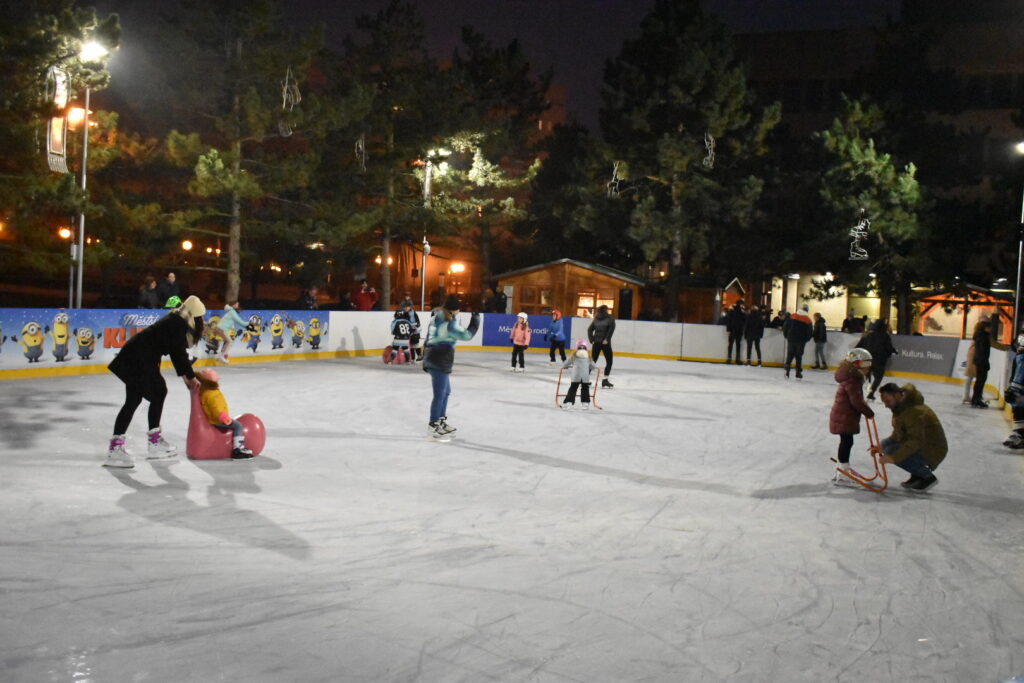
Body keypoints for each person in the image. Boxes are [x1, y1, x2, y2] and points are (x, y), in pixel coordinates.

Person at [104, 295, 205, 468]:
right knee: (159, 392)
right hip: (139, 358)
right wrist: (191, 377)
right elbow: (178, 354)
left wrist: (186, 377)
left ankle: (119, 446)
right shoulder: (177, 324)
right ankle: (153, 444)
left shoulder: (176, 320)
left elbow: (176, 353)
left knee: (134, 399)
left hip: (137, 356)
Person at [422, 294, 480, 441]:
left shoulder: (437, 317)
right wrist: (475, 321)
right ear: (455, 310)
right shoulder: (449, 322)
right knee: (440, 394)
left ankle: (440, 421)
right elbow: (467, 336)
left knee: (446, 392)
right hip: (439, 360)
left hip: (434, 358)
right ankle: (433, 426)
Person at [877, 382, 947, 491]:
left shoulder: (915, 411)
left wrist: (893, 457)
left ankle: (927, 477)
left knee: (891, 451)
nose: (886, 405)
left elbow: (915, 441)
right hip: (924, 444)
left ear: (896, 395)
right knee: (885, 444)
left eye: (887, 401)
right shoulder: (901, 407)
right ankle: (917, 475)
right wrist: (879, 448)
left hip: (932, 449)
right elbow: (898, 433)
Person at [828, 348, 875, 485]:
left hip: (844, 414)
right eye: (866, 366)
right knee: (847, 442)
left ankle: (841, 468)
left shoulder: (850, 376)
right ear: (858, 364)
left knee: (846, 441)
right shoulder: (853, 380)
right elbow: (856, 401)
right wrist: (868, 412)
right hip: (845, 416)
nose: (868, 370)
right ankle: (842, 471)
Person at [195, 368, 254, 459]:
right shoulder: (213, 394)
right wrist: (224, 418)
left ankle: (238, 448)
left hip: (214, 419)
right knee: (238, 425)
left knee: (236, 424)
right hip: (217, 420)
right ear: (212, 382)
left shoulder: (205, 391)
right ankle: (238, 449)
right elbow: (216, 409)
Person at [856, 320, 898, 400]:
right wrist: (893, 351)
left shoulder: (869, 335)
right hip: (879, 360)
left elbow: (862, 344)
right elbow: (888, 347)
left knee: (865, 376)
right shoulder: (885, 336)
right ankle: (871, 393)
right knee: (878, 377)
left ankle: (856, 390)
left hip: (868, 358)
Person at [561, 340, 598, 409]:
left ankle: (569, 402)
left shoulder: (574, 355)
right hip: (585, 376)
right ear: (586, 347)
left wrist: (564, 366)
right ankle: (585, 403)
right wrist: (589, 367)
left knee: (573, 388)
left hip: (576, 376)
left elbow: (566, 363)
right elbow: (593, 366)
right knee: (585, 388)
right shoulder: (588, 356)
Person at [588, 304, 616, 388]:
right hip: (605, 343)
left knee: (593, 361)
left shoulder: (596, 318)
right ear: (606, 310)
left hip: (596, 342)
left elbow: (589, 329)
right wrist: (606, 339)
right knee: (609, 361)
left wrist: (592, 340)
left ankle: (585, 379)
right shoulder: (610, 318)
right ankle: (605, 380)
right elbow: (611, 330)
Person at [783, 303, 813, 379]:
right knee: (798, 356)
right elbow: (810, 333)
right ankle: (798, 373)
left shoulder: (792, 316)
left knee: (790, 355)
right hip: (801, 341)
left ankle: (787, 371)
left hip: (791, 339)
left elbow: (785, 326)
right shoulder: (808, 320)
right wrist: (805, 340)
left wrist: (787, 336)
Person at [969, 318, 991, 408]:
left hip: (979, 361)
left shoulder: (980, 336)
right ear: (985, 328)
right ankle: (977, 399)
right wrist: (985, 362)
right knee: (981, 381)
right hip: (981, 361)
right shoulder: (983, 337)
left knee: (979, 381)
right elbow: (982, 351)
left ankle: (975, 399)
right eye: (989, 327)